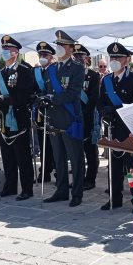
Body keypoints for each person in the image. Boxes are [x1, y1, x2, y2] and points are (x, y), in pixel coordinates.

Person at [98, 42, 133, 212]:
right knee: (114, 166)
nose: (115, 60)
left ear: (127, 60)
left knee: (132, 166)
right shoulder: (107, 80)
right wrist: (104, 110)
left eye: (119, 57)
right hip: (112, 128)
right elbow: (100, 101)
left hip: (131, 130)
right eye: (113, 57)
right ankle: (114, 197)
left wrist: (116, 110)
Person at [42, 30, 86, 207]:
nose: (59, 48)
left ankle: (77, 193)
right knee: (58, 158)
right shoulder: (50, 69)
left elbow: (73, 93)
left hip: (70, 119)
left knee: (75, 159)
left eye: (62, 45)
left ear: (70, 49)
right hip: (54, 118)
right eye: (57, 45)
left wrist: (52, 99)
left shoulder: (77, 68)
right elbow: (46, 92)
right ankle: (61, 191)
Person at [0, 35, 35, 200]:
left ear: (15, 52)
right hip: (3, 118)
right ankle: (9, 186)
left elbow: (25, 94)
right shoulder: (0, 73)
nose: (5, 52)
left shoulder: (24, 70)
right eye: (3, 49)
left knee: (22, 155)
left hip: (18, 118)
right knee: (7, 154)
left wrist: (5, 99)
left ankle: (27, 189)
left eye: (8, 49)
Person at [73, 44, 101, 191]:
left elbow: (94, 98)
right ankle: (79, 178)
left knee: (90, 150)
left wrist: (84, 114)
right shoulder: (70, 75)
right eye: (75, 57)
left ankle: (90, 179)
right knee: (76, 151)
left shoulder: (93, 76)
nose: (78, 59)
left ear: (86, 58)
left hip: (87, 117)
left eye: (80, 57)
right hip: (73, 118)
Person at [33, 41, 57, 183]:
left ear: (51, 57)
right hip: (40, 113)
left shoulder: (55, 70)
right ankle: (45, 171)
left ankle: (58, 171)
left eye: (45, 55)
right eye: (40, 54)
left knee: (55, 145)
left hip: (53, 112)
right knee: (43, 144)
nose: (42, 57)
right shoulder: (34, 71)